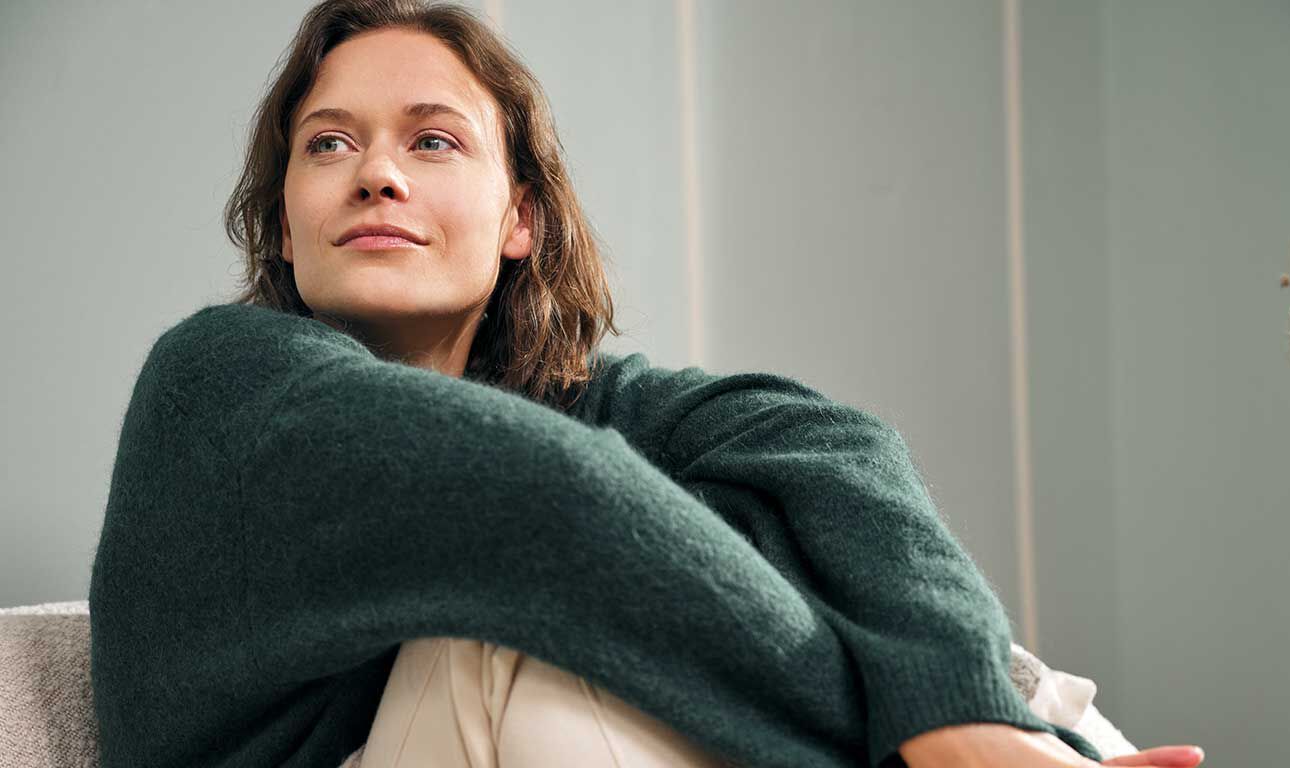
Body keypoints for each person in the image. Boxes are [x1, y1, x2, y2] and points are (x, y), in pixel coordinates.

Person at [87, 1, 1205, 767]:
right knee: (505, 618)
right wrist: (919, 735)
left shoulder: (581, 404)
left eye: (433, 142)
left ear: (520, 217)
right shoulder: (218, 382)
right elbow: (537, 507)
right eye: (327, 145)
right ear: (285, 220)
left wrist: (958, 699)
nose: (375, 170)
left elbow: (833, 447)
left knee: (795, 519)